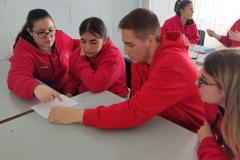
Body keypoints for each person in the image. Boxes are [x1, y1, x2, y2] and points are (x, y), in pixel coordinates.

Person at [49, 8, 204, 133]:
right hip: (159, 123)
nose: (125, 51)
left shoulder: (171, 65)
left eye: (130, 45)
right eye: (124, 44)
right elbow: (135, 97)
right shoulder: (142, 54)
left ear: (150, 40)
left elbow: (134, 110)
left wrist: (77, 115)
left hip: (190, 133)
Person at [7, 9, 80, 103]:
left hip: (70, 88)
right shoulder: (23, 52)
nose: (48, 36)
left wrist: (95, 44)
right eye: (41, 32)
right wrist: (35, 88)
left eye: (51, 30)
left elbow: (74, 44)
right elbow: (16, 78)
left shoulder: (60, 36)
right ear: (30, 32)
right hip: (48, 97)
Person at [63, 17, 128, 98]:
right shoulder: (75, 55)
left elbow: (95, 86)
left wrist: (82, 60)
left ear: (104, 40)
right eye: (83, 41)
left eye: (93, 42)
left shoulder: (113, 57)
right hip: (87, 97)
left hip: (114, 99)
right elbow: (73, 79)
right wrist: (68, 93)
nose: (87, 47)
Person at [197, 49, 240, 160]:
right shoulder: (213, 103)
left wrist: (207, 141)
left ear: (226, 88)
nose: (196, 83)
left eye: (203, 81)